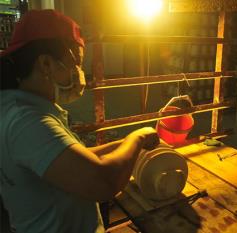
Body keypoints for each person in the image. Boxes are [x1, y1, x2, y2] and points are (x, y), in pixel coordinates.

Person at [0, 10, 160, 233]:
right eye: (76, 63)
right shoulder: (28, 122)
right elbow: (103, 183)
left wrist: (128, 143)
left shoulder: (20, 108)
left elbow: (76, 161)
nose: (80, 72)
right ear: (46, 64)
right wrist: (138, 136)